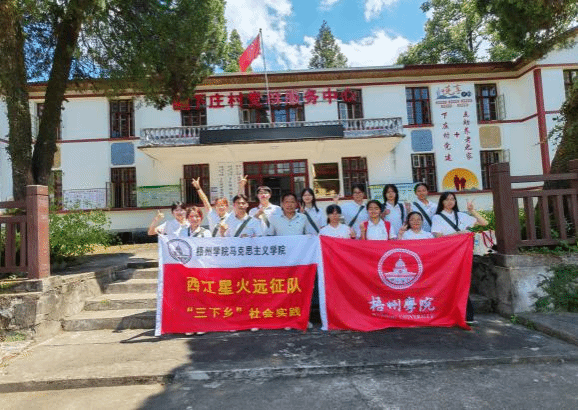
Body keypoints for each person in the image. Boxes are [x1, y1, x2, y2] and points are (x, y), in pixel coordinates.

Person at [430, 192, 488, 324]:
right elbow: (438, 237)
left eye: (452, 199)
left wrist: (472, 211)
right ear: (442, 202)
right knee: (449, 283)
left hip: (462, 254)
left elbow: (484, 223)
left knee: (463, 283)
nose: (450, 202)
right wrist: (459, 233)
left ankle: (467, 315)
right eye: (446, 199)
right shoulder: (437, 218)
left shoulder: (461, 215)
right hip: (446, 255)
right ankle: (448, 313)